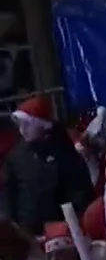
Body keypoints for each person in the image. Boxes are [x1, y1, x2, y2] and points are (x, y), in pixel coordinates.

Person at [2, 95, 95, 236]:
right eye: (20, 125)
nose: (22, 130)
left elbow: (79, 194)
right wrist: (14, 224)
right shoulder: (17, 155)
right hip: (28, 234)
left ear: (42, 124)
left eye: (27, 124)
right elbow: (10, 192)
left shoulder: (65, 154)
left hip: (61, 233)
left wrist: (72, 226)